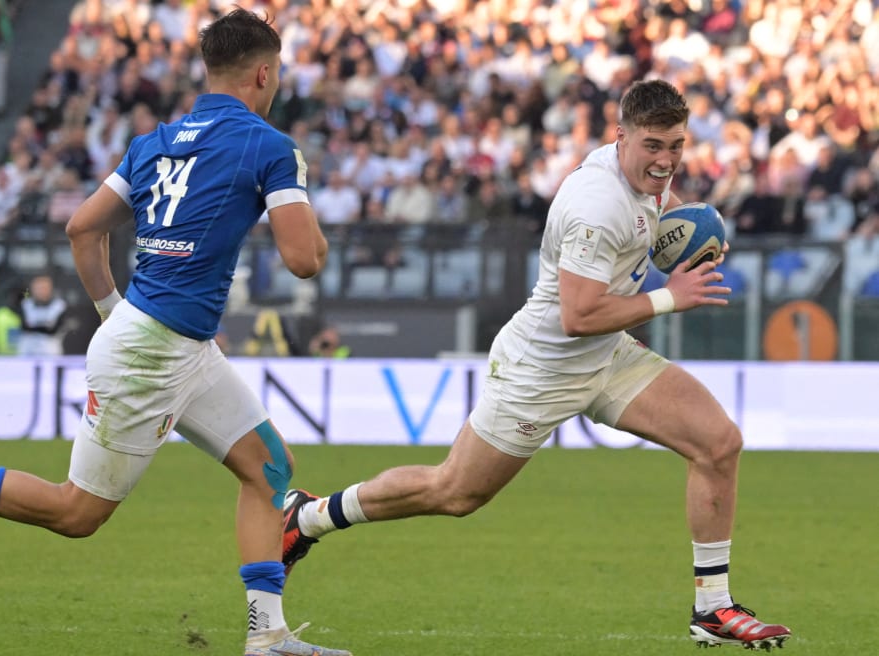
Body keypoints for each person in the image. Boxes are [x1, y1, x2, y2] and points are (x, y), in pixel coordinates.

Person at [0, 10, 348, 656]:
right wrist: (305, 206)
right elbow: (304, 260)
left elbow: (82, 228)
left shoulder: (154, 141)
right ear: (265, 73)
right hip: (156, 350)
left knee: (270, 465)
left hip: (168, 340)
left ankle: (266, 635)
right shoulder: (269, 147)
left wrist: (113, 312)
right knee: (77, 513)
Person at [281, 80, 792, 651]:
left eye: (675, 145)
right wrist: (673, 294)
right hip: (543, 366)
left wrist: (697, 228)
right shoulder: (595, 207)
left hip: (607, 353)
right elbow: (577, 315)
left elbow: (659, 210)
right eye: (653, 146)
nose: (666, 160)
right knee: (455, 493)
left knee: (718, 443)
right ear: (621, 138)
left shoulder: (641, 173)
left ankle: (713, 610)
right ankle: (309, 518)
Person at [16, 274, 68, 356]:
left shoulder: (59, 306)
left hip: (50, 353)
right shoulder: (25, 305)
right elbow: (24, 327)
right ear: (32, 289)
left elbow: (54, 330)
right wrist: (45, 327)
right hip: (28, 352)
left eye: (44, 288)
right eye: (38, 288)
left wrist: (34, 327)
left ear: (50, 288)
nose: (41, 291)